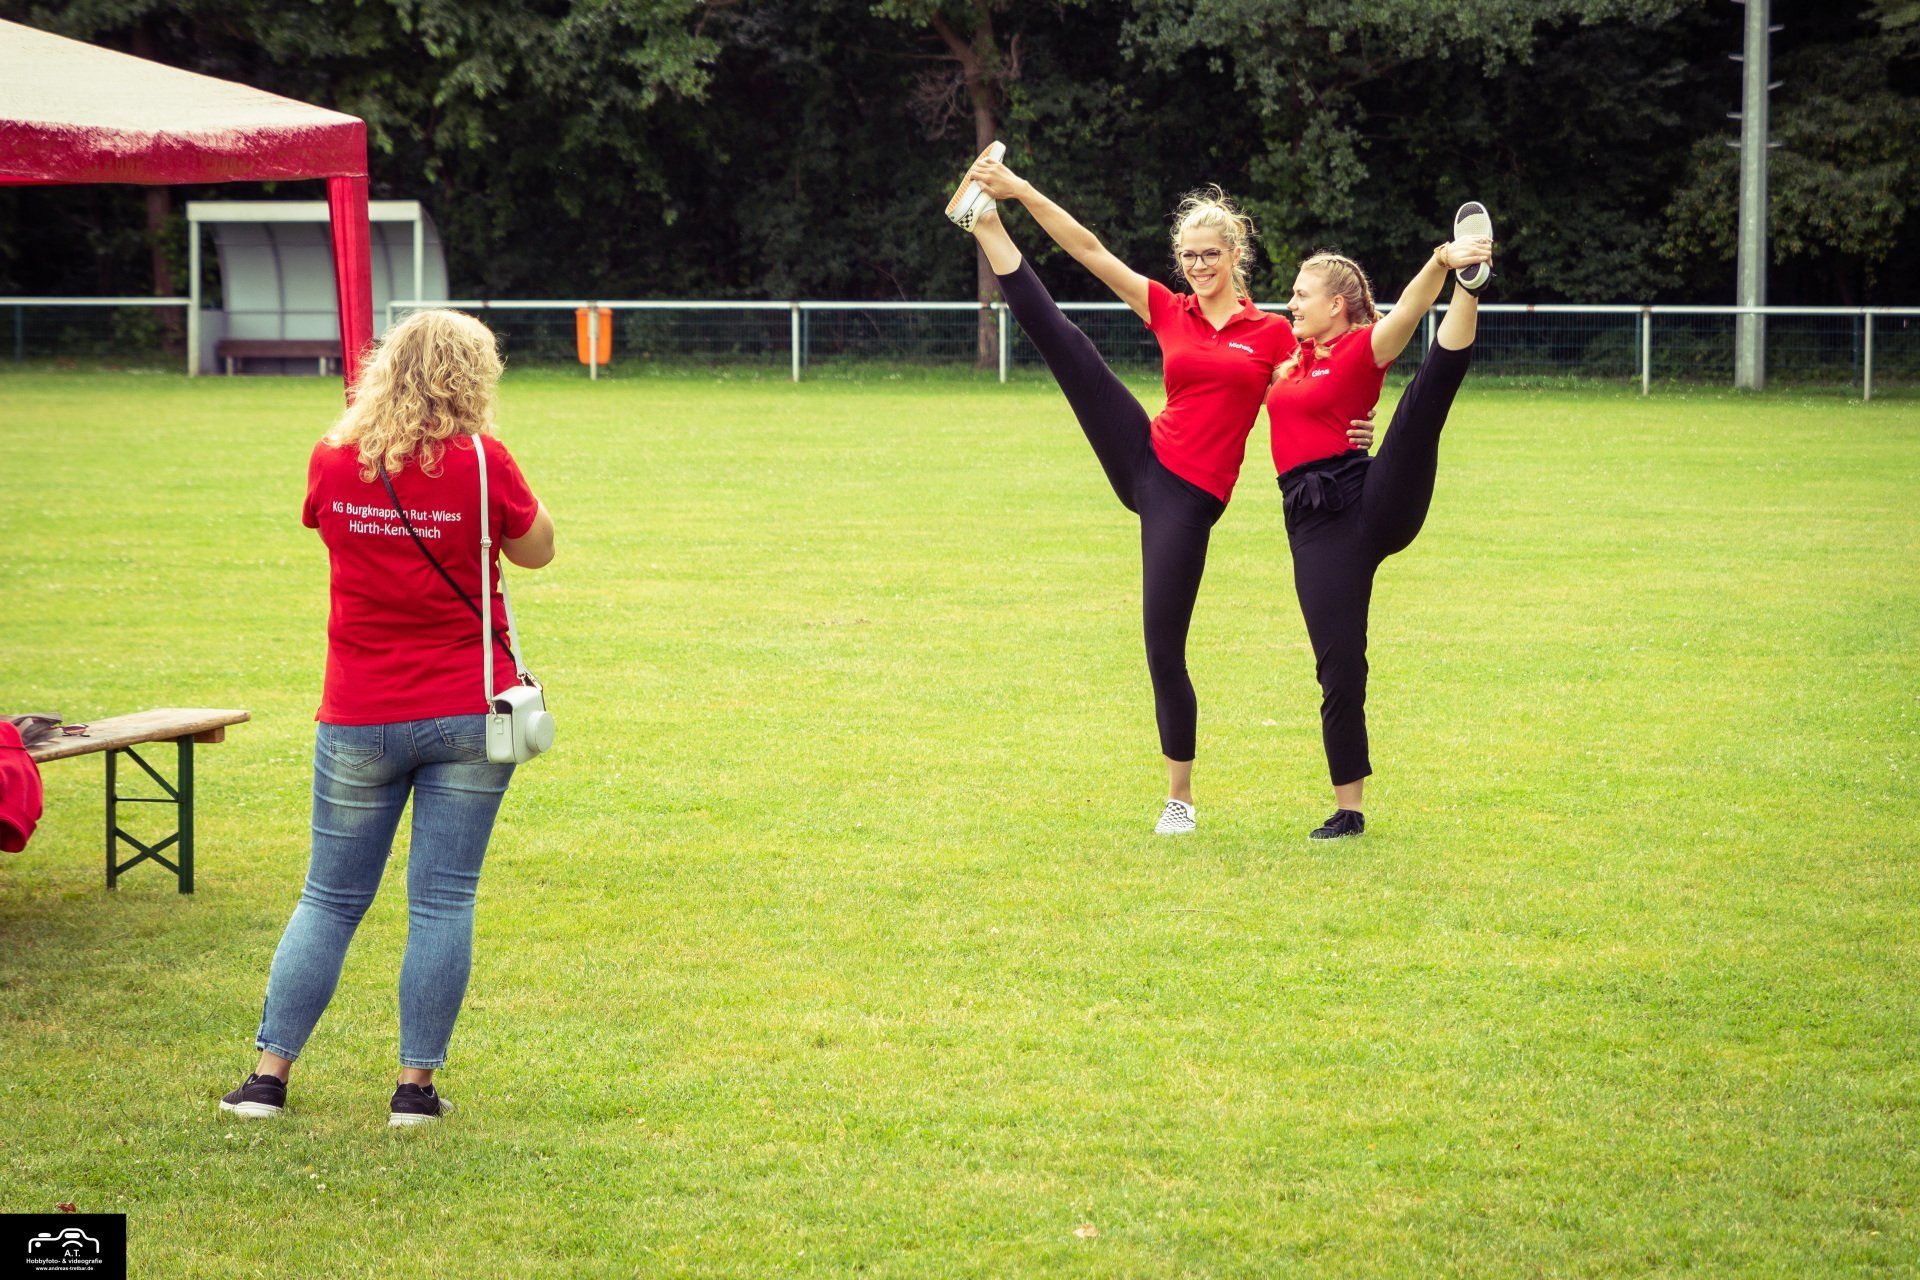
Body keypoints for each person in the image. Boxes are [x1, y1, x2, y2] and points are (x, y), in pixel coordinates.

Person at [948, 146, 1374, 834]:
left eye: (1210, 254)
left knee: (1162, 646)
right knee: (1069, 345)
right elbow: (1089, 249)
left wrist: (1356, 425)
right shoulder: (1170, 309)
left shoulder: (1272, 334)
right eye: (1188, 256)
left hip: (1188, 498)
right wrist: (1020, 191)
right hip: (1144, 454)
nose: (1198, 266)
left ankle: (1181, 797)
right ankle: (987, 225)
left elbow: (1326, 376)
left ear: (1235, 254)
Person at [219, 309, 556, 1126]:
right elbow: (538, 549)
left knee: (329, 899)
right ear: (473, 377)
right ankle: (414, 1090)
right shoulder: (485, 462)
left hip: (360, 709)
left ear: (386, 369)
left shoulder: (335, 457)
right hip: (468, 710)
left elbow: (321, 523)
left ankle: (267, 1078)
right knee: (443, 902)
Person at [1266, 204, 1495, 839]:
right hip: (1314, 523)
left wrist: (1443, 263)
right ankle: (1350, 810)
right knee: (1339, 664)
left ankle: (1471, 289)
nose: (1292, 303)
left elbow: (1408, 313)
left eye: (1302, 294)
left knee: (1421, 406)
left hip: (1371, 495)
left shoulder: (1360, 349)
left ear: (1337, 304)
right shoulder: (1286, 360)